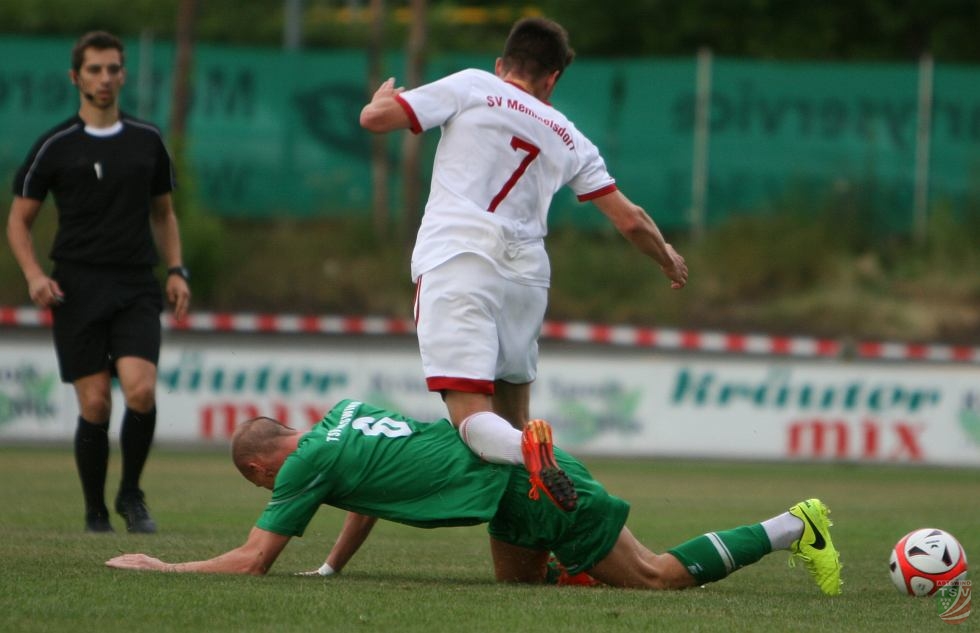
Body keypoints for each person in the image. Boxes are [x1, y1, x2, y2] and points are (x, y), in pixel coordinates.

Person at [358, 17, 688, 512]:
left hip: (460, 259)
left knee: (473, 422)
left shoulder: (473, 85)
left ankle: (538, 455)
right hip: (526, 277)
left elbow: (375, 121)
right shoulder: (570, 136)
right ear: (553, 78)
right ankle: (547, 541)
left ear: (502, 64)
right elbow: (631, 221)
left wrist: (380, 98)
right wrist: (668, 257)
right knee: (513, 423)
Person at [105, 399, 843, 597]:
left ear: (262, 472)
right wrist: (332, 568)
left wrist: (164, 569)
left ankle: (793, 525)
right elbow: (367, 495)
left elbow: (252, 560)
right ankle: (586, 567)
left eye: (262, 485)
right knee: (515, 584)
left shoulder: (301, 470)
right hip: (507, 492)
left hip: (533, 482)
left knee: (657, 576)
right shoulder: (342, 419)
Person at [6, 31, 191, 534]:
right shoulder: (55, 146)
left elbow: (164, 214)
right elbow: (18, 221)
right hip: (76, 287)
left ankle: (131, 495)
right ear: (76, 77)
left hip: (135, 285)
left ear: (123, 74)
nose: (105, 78)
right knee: (94, 403)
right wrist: (34, 275)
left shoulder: (147, 141)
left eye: (113, 69)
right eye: (94, 70)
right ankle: (94, 511)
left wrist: (176, 270)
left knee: (141, 392)